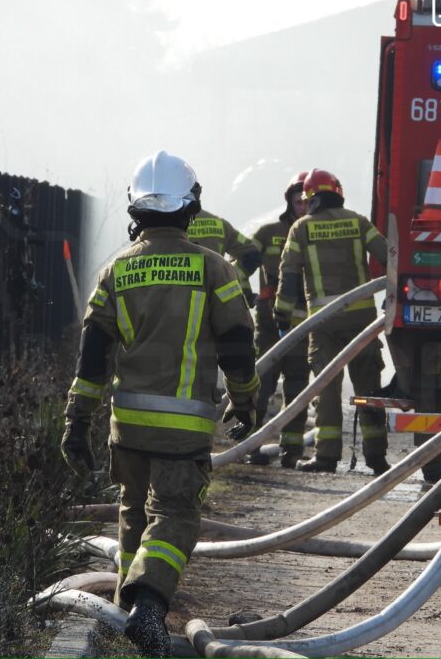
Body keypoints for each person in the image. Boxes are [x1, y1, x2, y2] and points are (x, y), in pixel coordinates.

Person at [60, 150, 259, 657]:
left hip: (127, 427)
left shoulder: (115, 271)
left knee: (133, 513)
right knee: (174, 516)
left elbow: (92, 359)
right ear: (191, 207)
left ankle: (125, 617)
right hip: (182, 428)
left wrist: (76, 422)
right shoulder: (213, 268)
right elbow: (238, 345)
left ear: (136, 209)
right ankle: (147, 604)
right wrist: (245, 402)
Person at [274, 168, 390, 475]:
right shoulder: (357, 222)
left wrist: (282, 315)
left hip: (324, 324)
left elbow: (288, 274)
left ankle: (326, 456)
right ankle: (377, 456)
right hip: (362, 321)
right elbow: (388, 255)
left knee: (326, 390)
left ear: (310, 198)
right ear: (338, 192)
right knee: (369, 389)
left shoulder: (301, 228)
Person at [246, 172, 311, 468]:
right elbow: (241, 262)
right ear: (289, 202)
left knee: (297, 386)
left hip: (303, 323)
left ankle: (291, 450)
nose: (302, 206)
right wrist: (242, 293)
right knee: (262, 384)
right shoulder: (268, 232)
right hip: (270, 322)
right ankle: (251, 446)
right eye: (298, 201)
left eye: (307, 201)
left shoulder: (315, 233)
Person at [188, 207, 261, 303]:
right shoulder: (220, 224)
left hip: (181, 297)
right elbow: (252, 254)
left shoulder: (171, 225)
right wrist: (231, 276)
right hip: (218, 296)